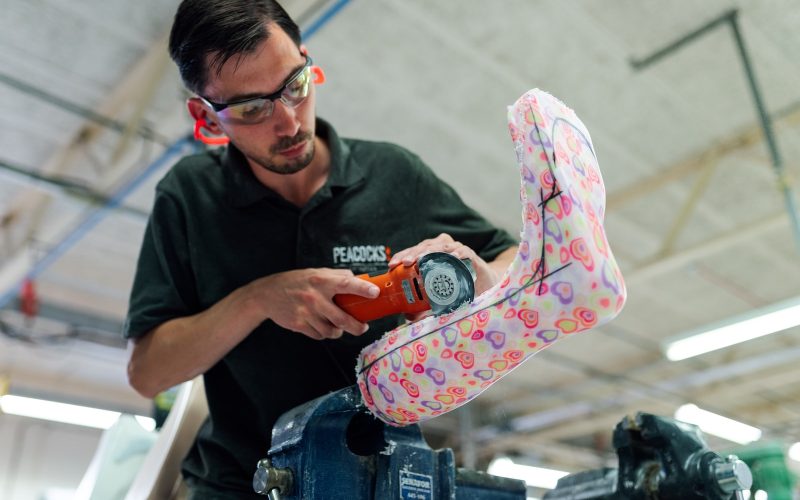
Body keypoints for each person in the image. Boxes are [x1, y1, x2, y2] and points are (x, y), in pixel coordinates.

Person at [124, 0, 517, 497]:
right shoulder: (190, 198)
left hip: (382, 479)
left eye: (295, 86)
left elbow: (511, 260)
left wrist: (480, 275)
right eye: (251, 109)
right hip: (239, 484)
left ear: (308, 62)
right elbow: (147, 372)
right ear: (205, 114)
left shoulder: (393, 174)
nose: (288, 123)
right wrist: (258, 299)